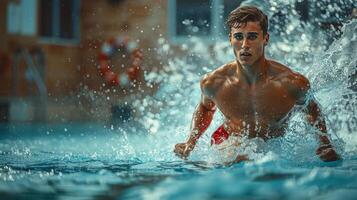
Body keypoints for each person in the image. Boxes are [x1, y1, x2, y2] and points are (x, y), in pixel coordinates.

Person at [174, 6, 340, 163]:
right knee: (240, 154)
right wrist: (191, 141)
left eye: (252, 36)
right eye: (238, 36)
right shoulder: (214, 82)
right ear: (230, 40)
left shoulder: (291, 83)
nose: (245, 45)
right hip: (227, 140)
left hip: (273, 145)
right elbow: (205, 107)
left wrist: (324, 143)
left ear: (265, 39)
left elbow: (311, 107)